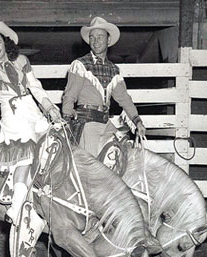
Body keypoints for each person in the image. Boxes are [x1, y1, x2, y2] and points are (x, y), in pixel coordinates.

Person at [0, 21, 61, 224]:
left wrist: (49, 107)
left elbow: (35, 86)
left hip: (33, 112)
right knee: (25, 158)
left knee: (52, 147)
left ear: (5, 43)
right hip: (13, 119)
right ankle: (15, 207)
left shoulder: (22, 60)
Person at [62, 16, 146, 158]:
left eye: (100, 37)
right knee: (92, 167)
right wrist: (67, 116)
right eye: (92, 38)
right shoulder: (80, 64)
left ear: (108, 40)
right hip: (87, 122)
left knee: (123, 151)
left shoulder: (113, 70)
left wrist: (137, 121)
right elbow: (70, 95)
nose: (95, 41)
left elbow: (124, 98)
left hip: (105, 122)